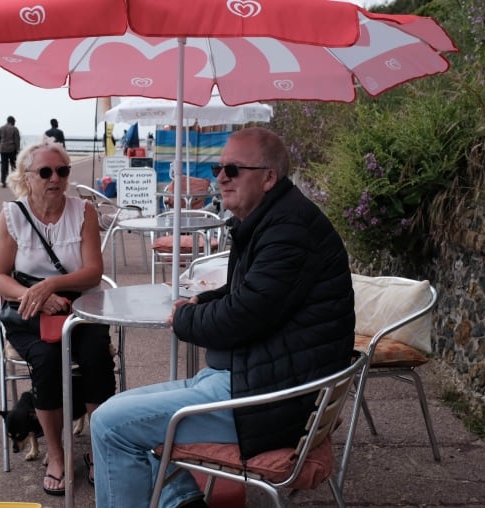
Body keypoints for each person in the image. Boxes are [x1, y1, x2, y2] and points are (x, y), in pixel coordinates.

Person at [90, 127, 355, 508]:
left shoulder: (288, 231)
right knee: (129, 416)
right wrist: (202, 299)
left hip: (265, 403)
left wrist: (185, 319)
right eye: (218, 168)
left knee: (111, 424)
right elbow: (249, 294)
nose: (220, 177)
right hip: (258, 380)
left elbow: (241, 316)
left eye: (232, 169)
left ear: (268, 178)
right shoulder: (277, 219)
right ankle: (183, 501)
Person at [0, 141, 115, 496]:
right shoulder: (12, 215)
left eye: (62, 171)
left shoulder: (84, 211)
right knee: (45, 359)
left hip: (80, 304)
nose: (55, 178)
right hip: (28, 309)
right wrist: (36, 296)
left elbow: (93, 271)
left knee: (95, 356)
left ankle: (99, 449)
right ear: (27, 178)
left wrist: (53, 285)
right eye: (45, 172)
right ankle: (57, 456)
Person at [0, 115, 20, 188]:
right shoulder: (14, 129)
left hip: (2, 149)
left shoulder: (1, 128)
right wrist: (17, 149)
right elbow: (17, 140)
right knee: (13, 165)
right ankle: (14, 180)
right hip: (12, 149)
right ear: (12, 121)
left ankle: (4, 181)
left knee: (4, 165)